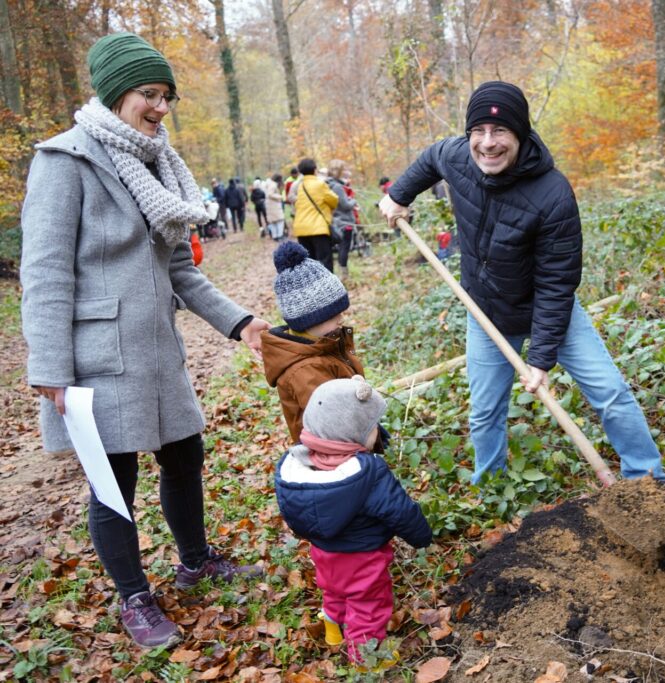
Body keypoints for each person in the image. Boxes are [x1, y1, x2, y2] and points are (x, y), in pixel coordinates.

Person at [20, 32, 271, 649]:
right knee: (115, 481)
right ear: (115, 93)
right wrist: (49, 365)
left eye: (167, 97)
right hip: (96, 357)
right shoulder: (65, 161)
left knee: (185, 457)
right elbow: (45, 271)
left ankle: (194, 560)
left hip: (158, 350)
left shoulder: (156, 162)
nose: (160, 108)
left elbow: (179, 268)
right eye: (148, 95)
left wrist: (240, 323)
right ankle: (134, 597)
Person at [378, 81, 665, 484]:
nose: (488, 143)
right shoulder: (457, 156)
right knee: (485, 410)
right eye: (478, 131)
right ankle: (492, 488)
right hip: (487, 310)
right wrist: (399, 195)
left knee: (611, 394)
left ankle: (647, 481)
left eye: (501, 132)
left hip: (547, 309)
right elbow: (431, 159)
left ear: (521, 134)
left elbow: (556, 283)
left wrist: (540, 358)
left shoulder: (552, 194)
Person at [274, 377, 432, 660]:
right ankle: (366, 660)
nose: (377, 431)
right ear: (352, 435)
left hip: (323, 551)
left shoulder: (295, 468)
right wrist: (422, 535)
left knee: (334, 590)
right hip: (363, 557)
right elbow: (399, 510)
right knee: (368, 604)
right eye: (372, 427)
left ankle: (333, 629)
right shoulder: (368, 473)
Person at [261, 242, 363, 443]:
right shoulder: (304, 369)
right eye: (334, 315)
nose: (341, 319)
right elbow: (332, 420)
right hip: (331, 453)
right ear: (309, 320)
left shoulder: (324, 343)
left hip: (349, 440)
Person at [287, 157, 337, 271]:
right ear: (315, 169)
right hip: (318, 228)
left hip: (301, 229)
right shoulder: (320, 184)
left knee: (308, 263)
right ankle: (327, 287)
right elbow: (334, 200)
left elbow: (293, 200)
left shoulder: (299, 186)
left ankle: (311, 287)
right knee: (325, 261)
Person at [325, 160, 358, 278]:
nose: (345, 172)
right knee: (344, 248)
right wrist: (353, 201)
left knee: (340, 248)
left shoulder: (328, 184)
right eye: (343, 169)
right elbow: (345, 205)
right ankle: (344, 275)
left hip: (335, 221)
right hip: (344, 221)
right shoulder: (337, 187)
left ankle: (341, 274)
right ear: (338, 171)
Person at [265, 173, 286, 241]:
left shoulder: (269, 184)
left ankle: (275, 236)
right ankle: (279, 235)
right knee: (280, 220)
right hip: (274, 205)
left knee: (273, 221)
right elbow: (270, 194)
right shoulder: (273, 185)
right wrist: (280, 197)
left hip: (270, 205)